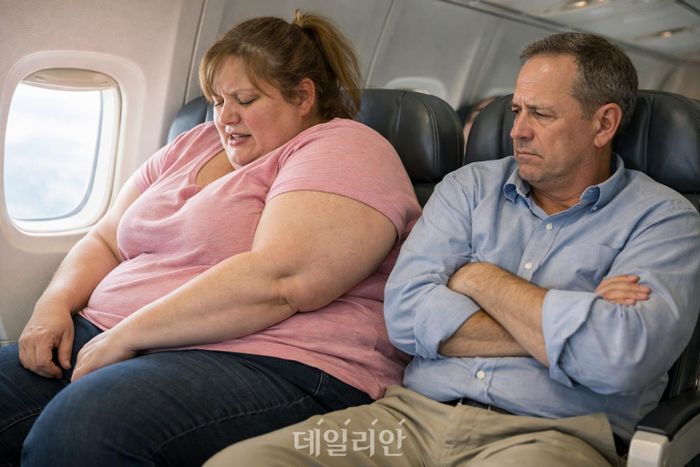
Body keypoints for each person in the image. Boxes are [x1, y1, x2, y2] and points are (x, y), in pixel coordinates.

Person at [205, 32, 700, 466]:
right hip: (407, 421)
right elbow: (404, 317)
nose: (517, 130)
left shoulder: (665, 220)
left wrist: (477, 277)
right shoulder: (469, 188)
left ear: (604, 124)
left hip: (550, 436)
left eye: (541, 114)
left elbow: (618, 358)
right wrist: (572, 321)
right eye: (516, 110)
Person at [0, 11, 421, 466]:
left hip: (271, 357)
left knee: (84, 428)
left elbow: (283, 280)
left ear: (303, 96)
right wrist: (52, 306)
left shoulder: (345, 147)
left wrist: (126, 336)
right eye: (218, 101)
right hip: (117, 334)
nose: (226, 117)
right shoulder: (192, 144)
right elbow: (105, 238)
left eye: (245, 99)